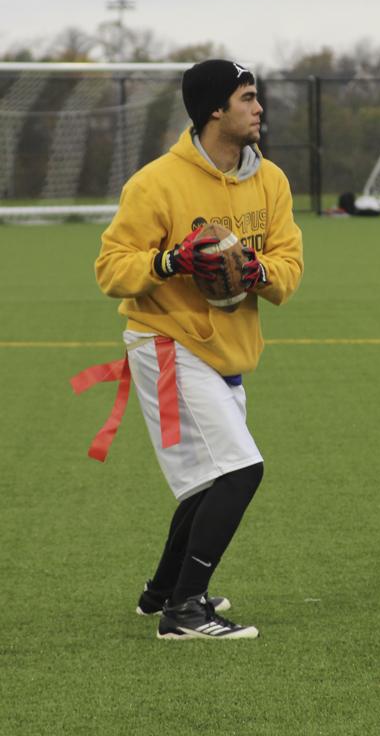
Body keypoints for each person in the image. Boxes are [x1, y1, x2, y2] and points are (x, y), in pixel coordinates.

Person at [94, 59, 303, 640]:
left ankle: (161, 591)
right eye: (247, 98)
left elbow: (289, 270)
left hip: (228, 349)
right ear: (215, 109)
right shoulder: (156, 182)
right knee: (240, 470)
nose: (259, 108)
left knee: (210, 480)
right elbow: (111, 270)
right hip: (166, 340)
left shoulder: (272, 182)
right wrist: (172, 261)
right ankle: (183, 611)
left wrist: (256, 269)